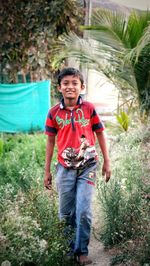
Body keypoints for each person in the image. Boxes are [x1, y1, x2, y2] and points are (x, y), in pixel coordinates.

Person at [44, 67, 111, 265]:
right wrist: (47, 170)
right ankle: (67, 248)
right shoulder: (53, 113)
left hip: (88, 167)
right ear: (59, 88)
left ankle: (82, 251)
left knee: (83, 210)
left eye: (75, 83)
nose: (70, 87)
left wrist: (107, 161)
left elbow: (100, 133)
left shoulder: (89, 109)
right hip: (64, 168)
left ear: (82, 87)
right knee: (65, 213)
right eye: (66, 83)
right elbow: (50, 141)